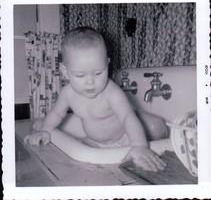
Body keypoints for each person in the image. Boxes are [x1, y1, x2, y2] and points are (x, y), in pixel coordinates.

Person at [25, 27, 166, 172]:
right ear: (65, 72)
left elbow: (128, 117)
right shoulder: (67, 93)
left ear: (107, 64)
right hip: (94, 141)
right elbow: (56, 114)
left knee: (138, 160)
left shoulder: (112, 92)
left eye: (98, 73)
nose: (90, 82)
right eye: (80, 75)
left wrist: (139, 145)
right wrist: (46, 130)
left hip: (125, 138)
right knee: (79, 162)